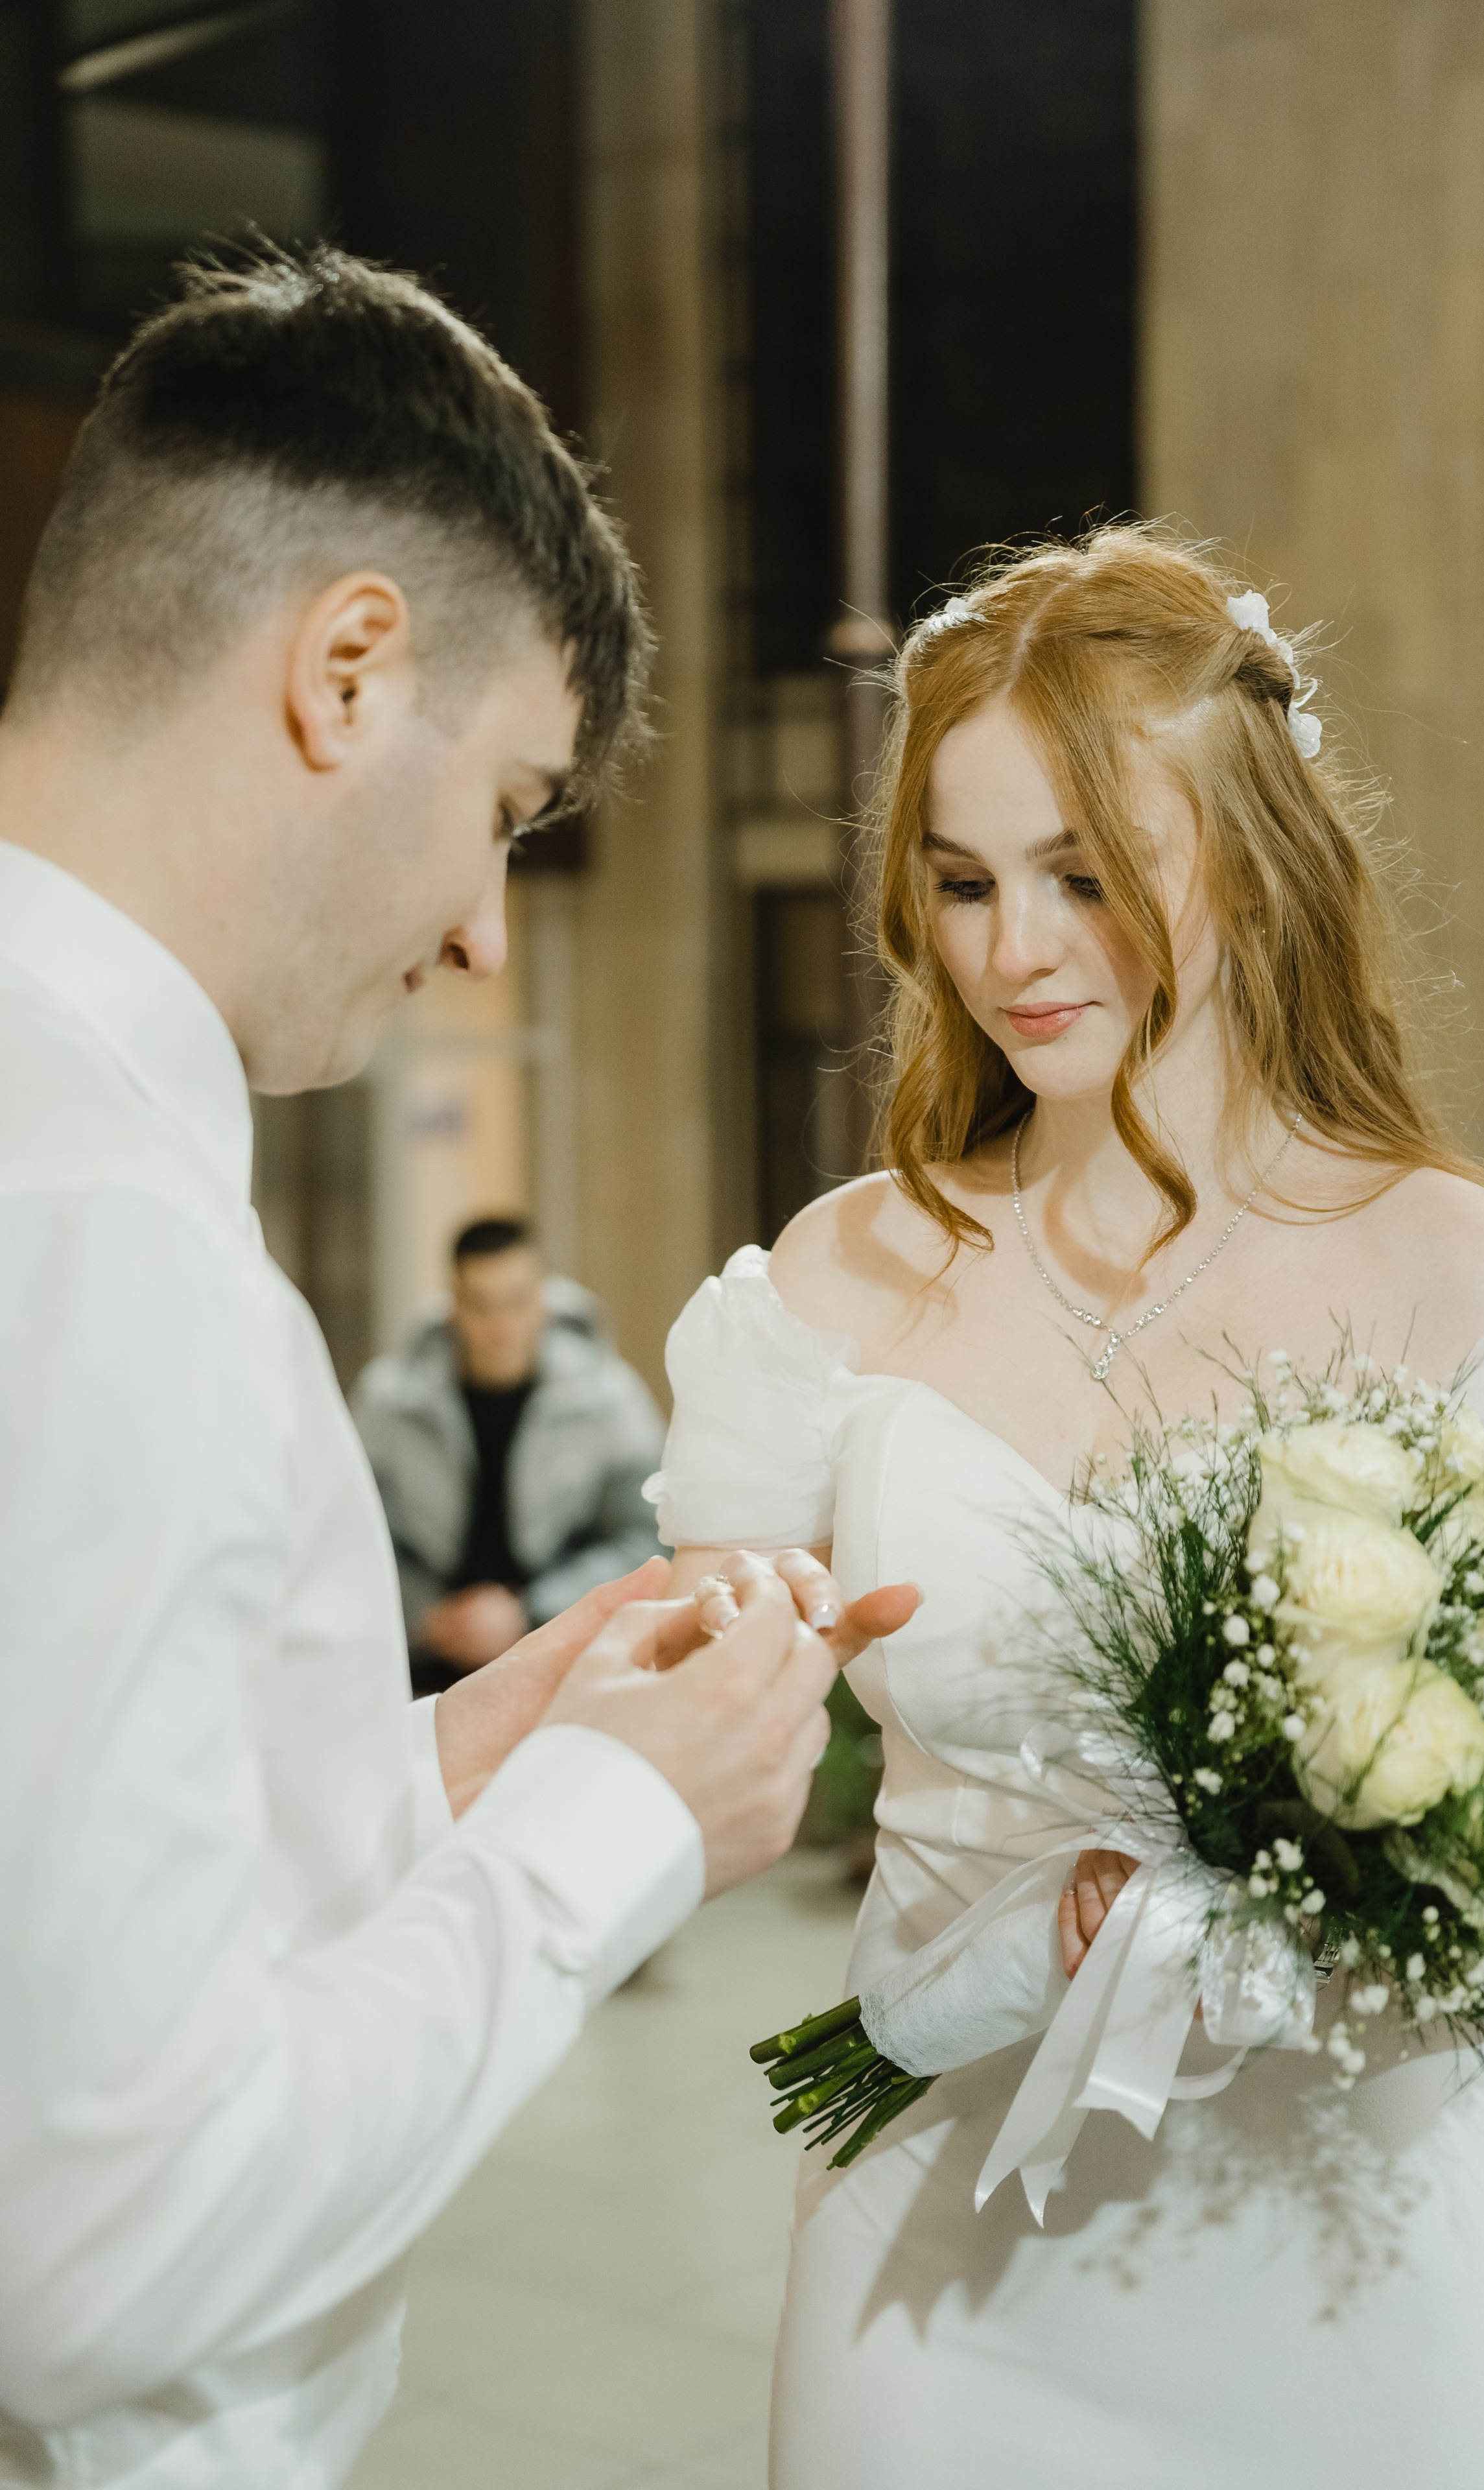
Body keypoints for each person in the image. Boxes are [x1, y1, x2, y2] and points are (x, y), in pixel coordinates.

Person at [0, 241, 917, 2490]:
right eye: (507, 809)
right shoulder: (105, 1235)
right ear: (344, 669)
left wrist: (450, 1767)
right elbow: (93, 2245)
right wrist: (621, 1827)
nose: (485, 931)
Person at [651, 526, 1484, 2488]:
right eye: (960, 882)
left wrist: (1330, 1913)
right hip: (942, 2240)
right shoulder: (834, 1286)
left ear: (1254, 857)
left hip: (1362, 2252)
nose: (1010, 950)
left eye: (1083, 877)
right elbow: (705, 1770)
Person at [353, 1215, 666, 1693]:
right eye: (480, 1305)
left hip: (561, 1657)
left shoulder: (608, 1399)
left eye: (516, 1301)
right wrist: (427, 1615)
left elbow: (648, 1538)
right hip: (418, 1665)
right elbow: (351, 1529)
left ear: (543, 1299)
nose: (500, 1325)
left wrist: (532, 1611)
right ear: (453, 1305)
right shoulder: (390, 1403)